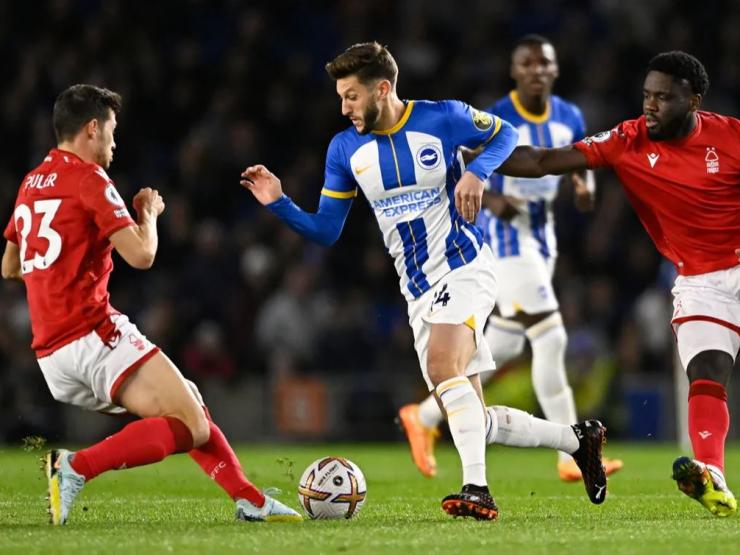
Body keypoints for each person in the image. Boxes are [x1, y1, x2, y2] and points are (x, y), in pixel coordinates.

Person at [240, 42, 608, 521]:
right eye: (341, 97)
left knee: (441, 367)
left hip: (465, 266)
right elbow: (327, 230)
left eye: (351, 96)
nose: (344, 107)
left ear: (382, 89)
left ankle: (477, 489)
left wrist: (476, 173)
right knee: (471, 414)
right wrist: (278, 202)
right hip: (418, 292)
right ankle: (579, 440)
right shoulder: (345, 149)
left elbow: (506, 133)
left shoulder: (443, 118)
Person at [0, 84, 301, 525]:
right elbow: (142, 255)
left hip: (52, 355)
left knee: (189, 402)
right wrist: (150, 215)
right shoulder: (89, 179)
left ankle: (250, 500)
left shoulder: (31, 183)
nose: (114, 143)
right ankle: (75, 467)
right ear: (91, 128)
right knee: (192, 424)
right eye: (112, 131)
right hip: (93, 333)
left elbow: (10, 266)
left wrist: (57, 273)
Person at [491, 51, 739, 517]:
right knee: (706, 370)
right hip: (701, 280)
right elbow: (544, 160)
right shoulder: (628, 140)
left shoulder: (730, 138)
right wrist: (480, 156)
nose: (651, 106)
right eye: (647, 95)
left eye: (664, 98)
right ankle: (713, 478)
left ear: (694, 101)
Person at [398, 35, 623, 483]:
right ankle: (570, 452)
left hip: (542, 243)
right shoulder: (496, 116)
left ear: (555, 70)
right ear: (515, 71)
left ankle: (422, 416)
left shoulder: (569, 116)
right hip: (500, 243)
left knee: (503, 344)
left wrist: (584, 186)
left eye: (545, 63)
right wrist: (493, 198)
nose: (538, 70)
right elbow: (458, 163)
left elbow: (577, 158)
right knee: (551, 336)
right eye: (528, 63)